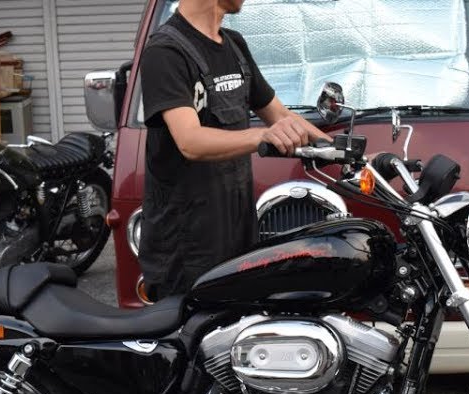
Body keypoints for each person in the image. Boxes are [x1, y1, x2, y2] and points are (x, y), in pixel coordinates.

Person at [138, 0, 329, 299]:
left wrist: (344, 153)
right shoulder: (165, 52)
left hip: (238, 244)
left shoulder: (234, 46)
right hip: (186, 256)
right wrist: (261, 136)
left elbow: (280, 116)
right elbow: (190, 141)